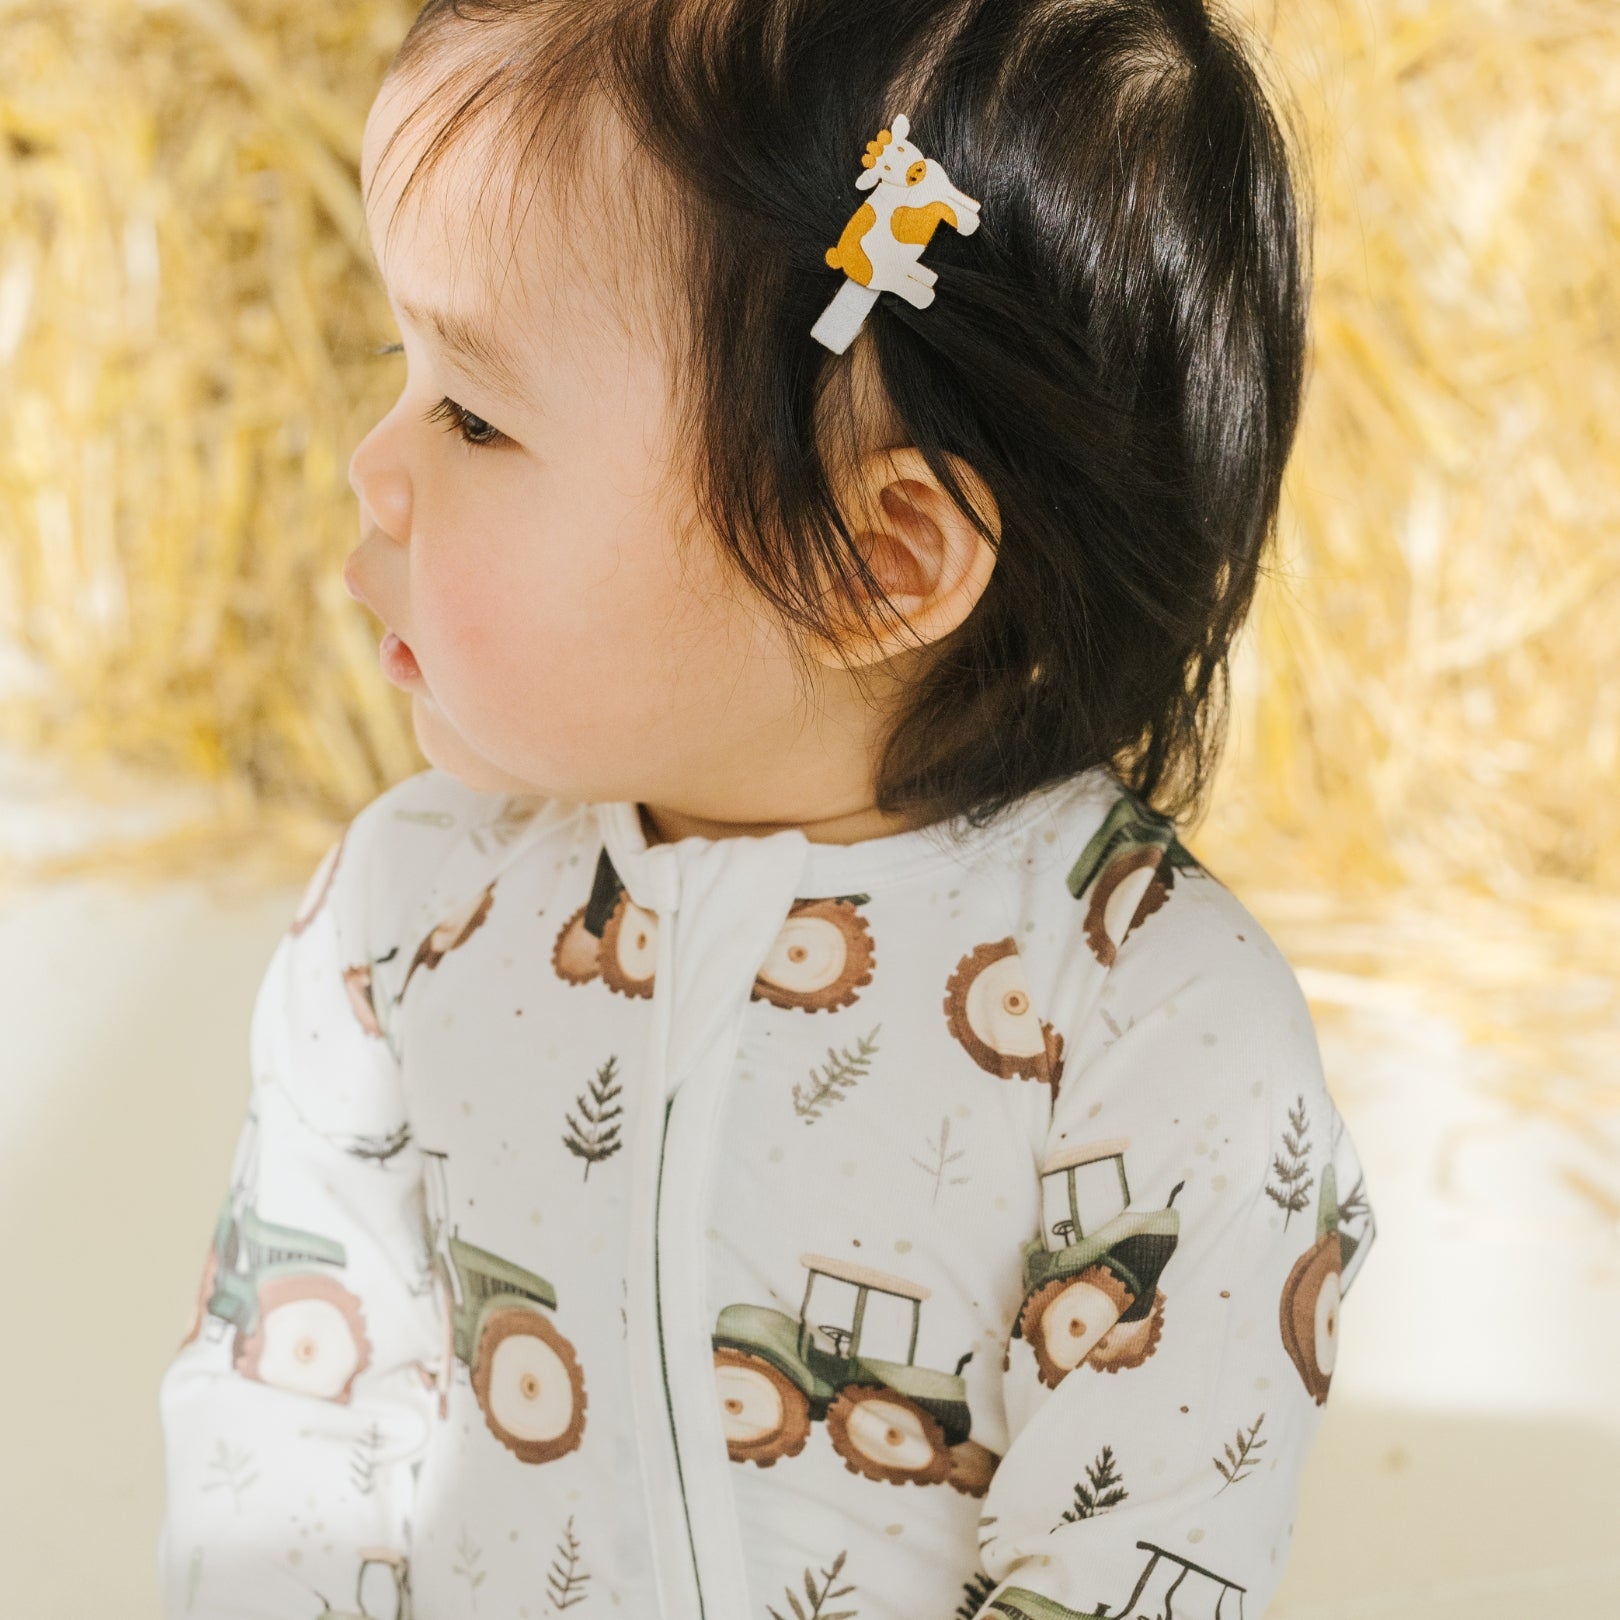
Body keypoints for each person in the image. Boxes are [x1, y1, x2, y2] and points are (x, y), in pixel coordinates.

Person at [156, 0, 1380, 1615]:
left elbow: (1131, 1556)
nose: (370, 468)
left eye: (474, 414)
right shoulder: (407, 922)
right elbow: (288, 1430)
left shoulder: (1154, 1029)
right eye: (407, 365)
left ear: (879, 560)